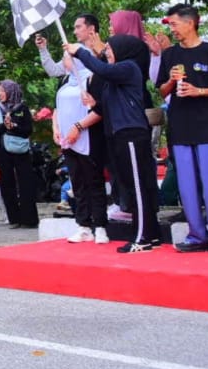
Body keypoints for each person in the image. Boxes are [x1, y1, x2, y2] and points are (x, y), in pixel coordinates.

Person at [67, 35, 162, 253]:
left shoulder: (129, 67)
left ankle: (142, 237)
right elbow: (106, 107)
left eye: (109, 48)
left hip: (132, 134)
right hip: (119, 134)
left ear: (122, 49)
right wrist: (94, 103)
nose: (106, 52)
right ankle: (152, 233)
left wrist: (80, 52)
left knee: (138, 187)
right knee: (134, 185)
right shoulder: (115, 77)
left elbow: (102, 69)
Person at [157, 5, 208, 256]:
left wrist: (198, 91)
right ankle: (196, 235)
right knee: (187, 185)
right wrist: (171, 79)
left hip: (206, 126)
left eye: (175, 24)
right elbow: (162, 91)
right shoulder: (169, 54)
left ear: (190, 23)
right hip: (179, 126)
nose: (172, 29)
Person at [53, 51, 108, 244]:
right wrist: (56, 129)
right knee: (77, 183)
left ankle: (100, 225)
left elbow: (98, 109)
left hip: (87, 138)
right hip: (68, 141)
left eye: (67, 57)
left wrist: (78, 127)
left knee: (94, 181)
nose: (64, 60)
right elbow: (56, 109)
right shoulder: (65, 82)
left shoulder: (91, 79)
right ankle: (83, 225)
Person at [0, 80, 41, 229]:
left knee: (26, 183)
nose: (0, 94)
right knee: (6, 184)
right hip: (2, 151)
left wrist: (15, 126)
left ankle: (29, 219)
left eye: (3, 91)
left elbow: (28, 130)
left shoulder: (22, 108)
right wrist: (4, 127)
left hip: (21, 151)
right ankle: (14, 218)